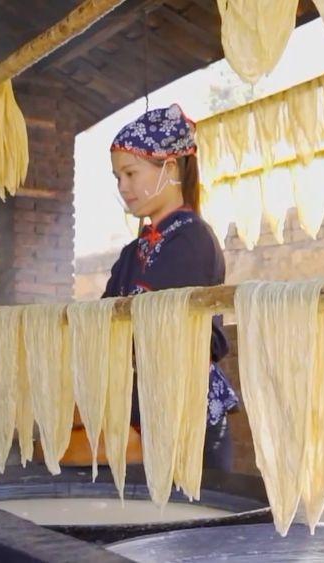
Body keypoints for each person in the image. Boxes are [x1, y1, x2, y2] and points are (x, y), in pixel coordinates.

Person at [105, 103, 239, 471]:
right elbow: (98, 321)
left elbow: (152, 326)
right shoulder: (133, 252)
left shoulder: (192, 240)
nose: (123, 187)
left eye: (131, 173)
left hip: (188, 417)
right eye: (117, 177)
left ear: (170, 167)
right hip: (148, 412)